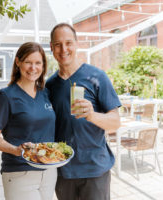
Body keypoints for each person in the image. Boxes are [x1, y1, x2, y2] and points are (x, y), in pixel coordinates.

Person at [46, 23, 121, 200]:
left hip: (94, 170)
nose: (64, 49)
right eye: (58, 44)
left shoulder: (97, 77)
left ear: (77, 44)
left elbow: (116, 122)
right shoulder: (49, 86)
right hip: (64, 171)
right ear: (51, 48)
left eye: (68, 43)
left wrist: (92, 115)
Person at [0, 42, 57, 200]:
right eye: (28, 62)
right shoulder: (6, 96)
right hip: (20, 172)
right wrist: (17, 150)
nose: (33, 68)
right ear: (18, 62)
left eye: (38, 63)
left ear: (43, 65)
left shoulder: (45, 93)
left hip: (49, 172)